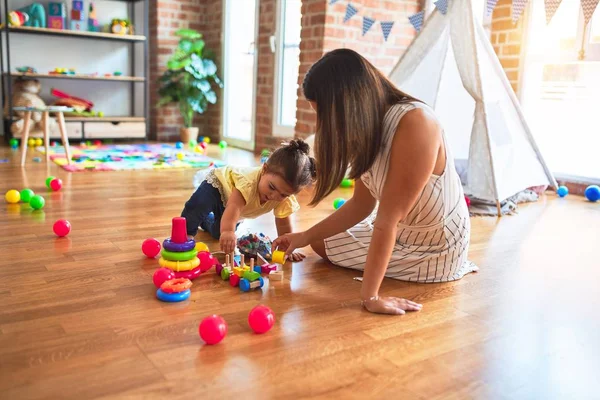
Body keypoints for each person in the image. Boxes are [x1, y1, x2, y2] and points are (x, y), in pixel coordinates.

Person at [273, 49, 478, 314]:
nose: (325, 123)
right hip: (398, 230)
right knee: (319, 242)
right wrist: (303, 236)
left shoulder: (416, 123)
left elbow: (387, 219)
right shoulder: (366, 129)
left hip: (434, 245)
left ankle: (397, 272)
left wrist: (371, 297)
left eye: (324, 113)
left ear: (348, 101)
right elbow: (361, 205)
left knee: (351, 241)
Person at [182, 139, 316, 261]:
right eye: (271, 187)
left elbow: (284, 225)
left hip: (233, 209)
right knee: (198, 206)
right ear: (264, 169)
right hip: (219, 185)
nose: (274, 196)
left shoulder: (283, 198)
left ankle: (206, 222)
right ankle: (186, 234)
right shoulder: (248, 183)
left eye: (283, 195)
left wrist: (286, 247)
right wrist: (228, 231)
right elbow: (234, 206)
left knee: (219, 233)